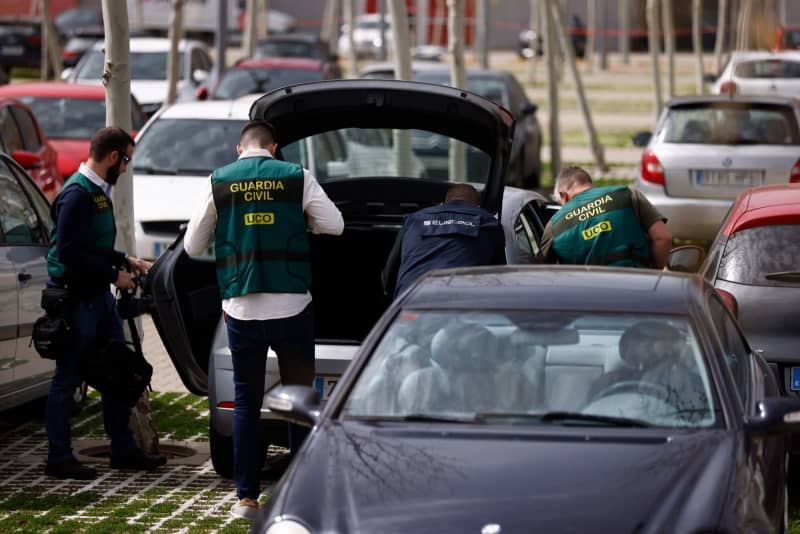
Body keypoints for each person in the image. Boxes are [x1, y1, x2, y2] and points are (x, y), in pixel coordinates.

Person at [183, 120, 344, 521]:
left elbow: (191, 246)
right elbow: (335, 225)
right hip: (292, 306)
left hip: (241, 309)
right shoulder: (296, 177)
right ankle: (297, 492)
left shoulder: (219, 180)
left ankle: (246, 498)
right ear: (273, 147)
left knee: (245, 402)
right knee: (298, 399)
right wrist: (302, 222)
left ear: (240, 149)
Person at [44, 127, 166, 480]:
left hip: (98, 298)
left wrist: (124, 259)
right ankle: (59, 457)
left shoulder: (98, 192)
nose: (127, 167)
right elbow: (68, 251)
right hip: (79, 300)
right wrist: (114, 276)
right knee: (67, 379)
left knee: (118, 374)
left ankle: (123, 450)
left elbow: (90, 246)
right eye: (126, 159)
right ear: (113, 157)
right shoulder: (76, 195)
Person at [382, 184, 506, 298]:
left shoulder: (414, 220)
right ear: (477, 207)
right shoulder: (489, 222)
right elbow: (500, 277)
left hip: (411, 301)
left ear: (441, 204)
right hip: (462, 304)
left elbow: (390, 275)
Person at [538, 166, 673, 268]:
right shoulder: (627, 195)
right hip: (638, 289)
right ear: (590, 185)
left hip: (584, 299)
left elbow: (539, 272)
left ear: (563, 196)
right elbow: (663, 237)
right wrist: (653, 276)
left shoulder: (554, 226)